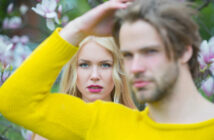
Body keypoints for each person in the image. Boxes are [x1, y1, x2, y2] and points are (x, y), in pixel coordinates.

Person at [1, 0, 214, 140]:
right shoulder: (105, 123)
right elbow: (15, 102)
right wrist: (78, 29)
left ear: (185, 51)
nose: (135, 68)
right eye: (128, 55)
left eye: (150, 51)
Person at [31, 36, 135, 140]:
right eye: (84, 65)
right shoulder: (51, 126)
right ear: (72, 71)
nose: (94, 76)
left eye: (105, 65)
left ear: (118, 71)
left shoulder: (134, 124)